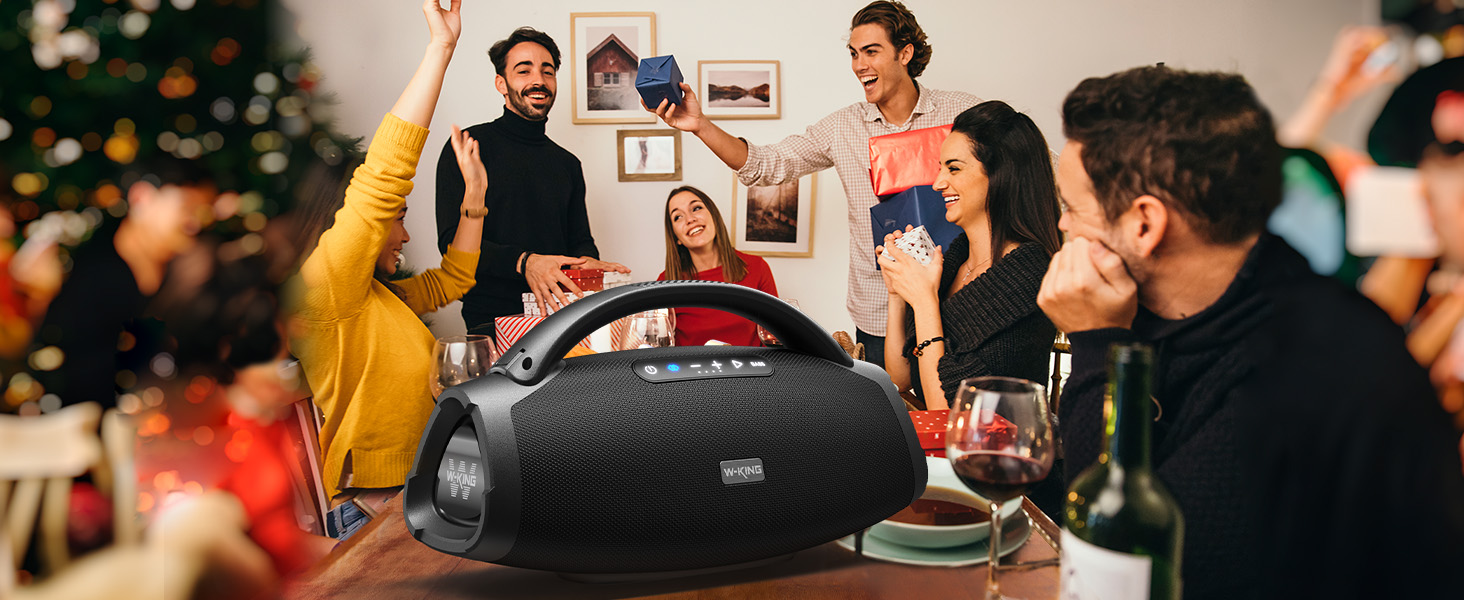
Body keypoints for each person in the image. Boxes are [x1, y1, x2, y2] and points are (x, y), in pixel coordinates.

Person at [1038, 65, 1464, 598]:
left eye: (1073, 209)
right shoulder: (1165, 303)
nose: (1063, 228)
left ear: (1144, 224)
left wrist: (1098, 344)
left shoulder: (1302, 369)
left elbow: (1125, 550)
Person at [646, 1, 979, 368]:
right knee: (891, 421)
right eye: (853, 54)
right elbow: (765, 165)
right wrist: (700, 125)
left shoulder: (962, 114)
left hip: (961, 300)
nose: (859, 65)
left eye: (871, 51)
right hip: (881, 312)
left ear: (905, 53)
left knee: (962, 415)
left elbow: (1027, 173)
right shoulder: (842, 128)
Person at [291, 0, 484, 538]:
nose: (404, 233)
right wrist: (440, 52)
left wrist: (475, 198)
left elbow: (452, 281)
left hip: (414, 494)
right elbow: (381, 180)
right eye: (396, 221)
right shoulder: (325, 287)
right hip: (373, 506)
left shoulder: (372, 297)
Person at [436, 26, 628, 328]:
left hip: (561, 319)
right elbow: (450, 244)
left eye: (547, 71)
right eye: (524, 71)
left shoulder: (568, 164)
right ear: (501, 83)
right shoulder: (469, 146)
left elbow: (580, 241)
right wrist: (526, 262)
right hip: (491, 321)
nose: (538, 80)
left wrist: (588, 263)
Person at [878, 101, 1061, 412]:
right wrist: (897, 293)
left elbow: (948, 413)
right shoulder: (953, 262)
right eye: (940, 167)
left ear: (1001, 175)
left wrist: (923, 301)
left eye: (954, 168)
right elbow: (902, 377)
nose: (937, 183)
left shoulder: (1028, 276)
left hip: (994, 456)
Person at [29, 156, 217, 409]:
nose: (196, 223)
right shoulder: (90, 273)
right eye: (187, 207)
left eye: (204, 211)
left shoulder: (190, 275)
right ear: (141, 198)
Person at [656, 186, 778, 347]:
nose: (690, 219)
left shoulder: (757, 268)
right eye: (678, 217)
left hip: (751, 371)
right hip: (690, 371)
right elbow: (658, 347)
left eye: (696, 208)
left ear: (714, 216)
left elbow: (775, 336)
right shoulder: (665, 282)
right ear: (675, 237)